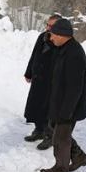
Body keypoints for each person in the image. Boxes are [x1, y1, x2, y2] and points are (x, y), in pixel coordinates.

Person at [40, 18, 86, 172]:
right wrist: (48, 43)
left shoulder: (75, 54)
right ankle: (78, 156)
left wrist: (66, 111)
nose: (51, 38)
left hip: (68, 106)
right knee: (55, 128)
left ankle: (61, 169)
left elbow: (75, 88)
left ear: (62, 35)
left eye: (53, 35)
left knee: (60, 138)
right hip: (59, 102)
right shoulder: (64, 48)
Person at [23, 14, 62, 150]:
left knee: (48, 109)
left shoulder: (60, 41)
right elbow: (35, 55)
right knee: (36, 106)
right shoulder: (42, 37)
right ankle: (38, 130)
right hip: (38, 78)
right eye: (47, 25)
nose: (47, 28)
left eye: (51, 26)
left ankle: (49, 135)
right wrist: (29, 72)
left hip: (50, 82)